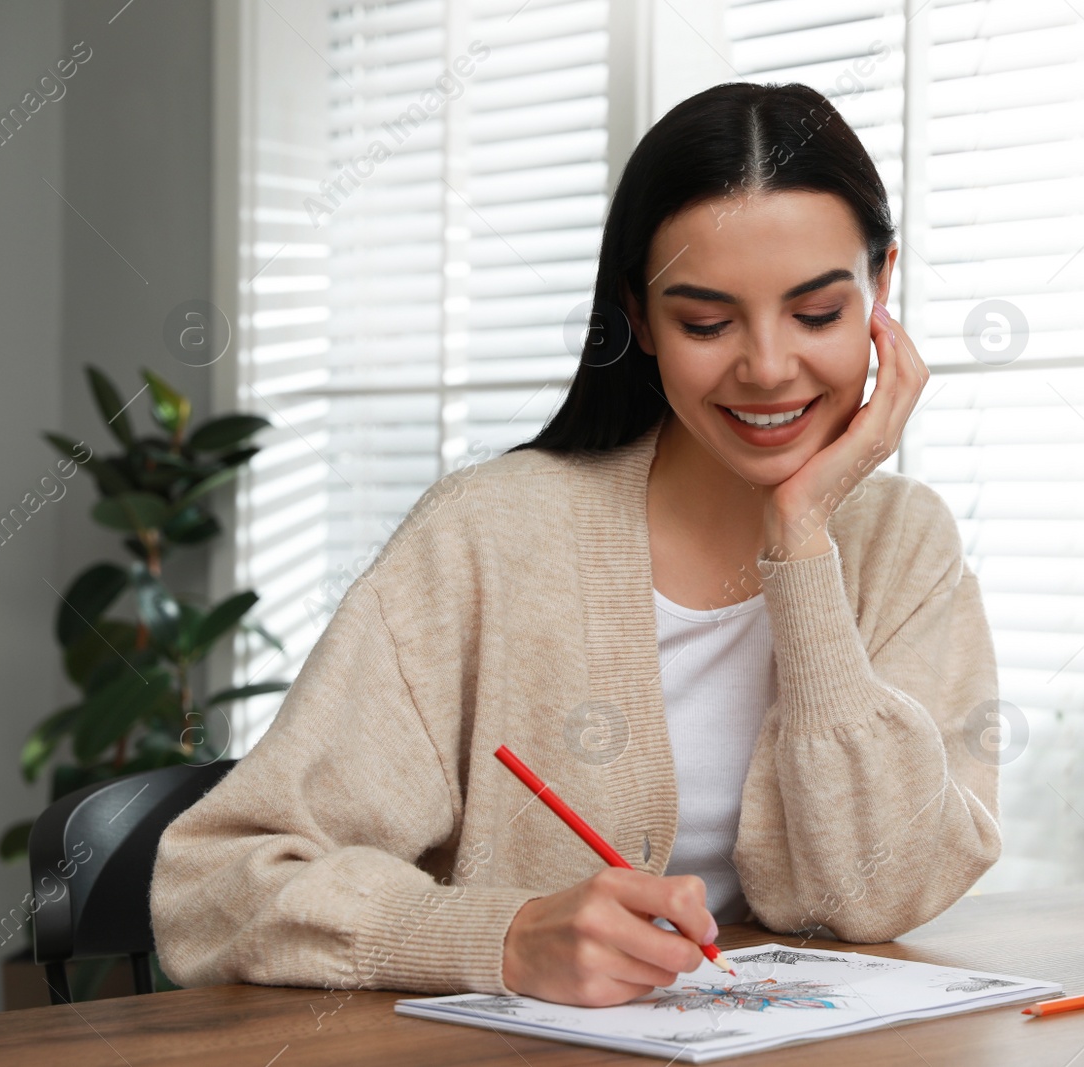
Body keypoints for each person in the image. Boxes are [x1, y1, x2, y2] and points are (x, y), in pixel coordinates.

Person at [150, 80, 1001, 1008]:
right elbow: (215, 882)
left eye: (817, 314)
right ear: (638, 316)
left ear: (882, 288)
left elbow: (880, 890)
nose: (765, 367)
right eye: (706, 322)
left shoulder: (904, 542)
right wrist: (501, 937)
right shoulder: (487, 536)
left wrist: (800, 541)